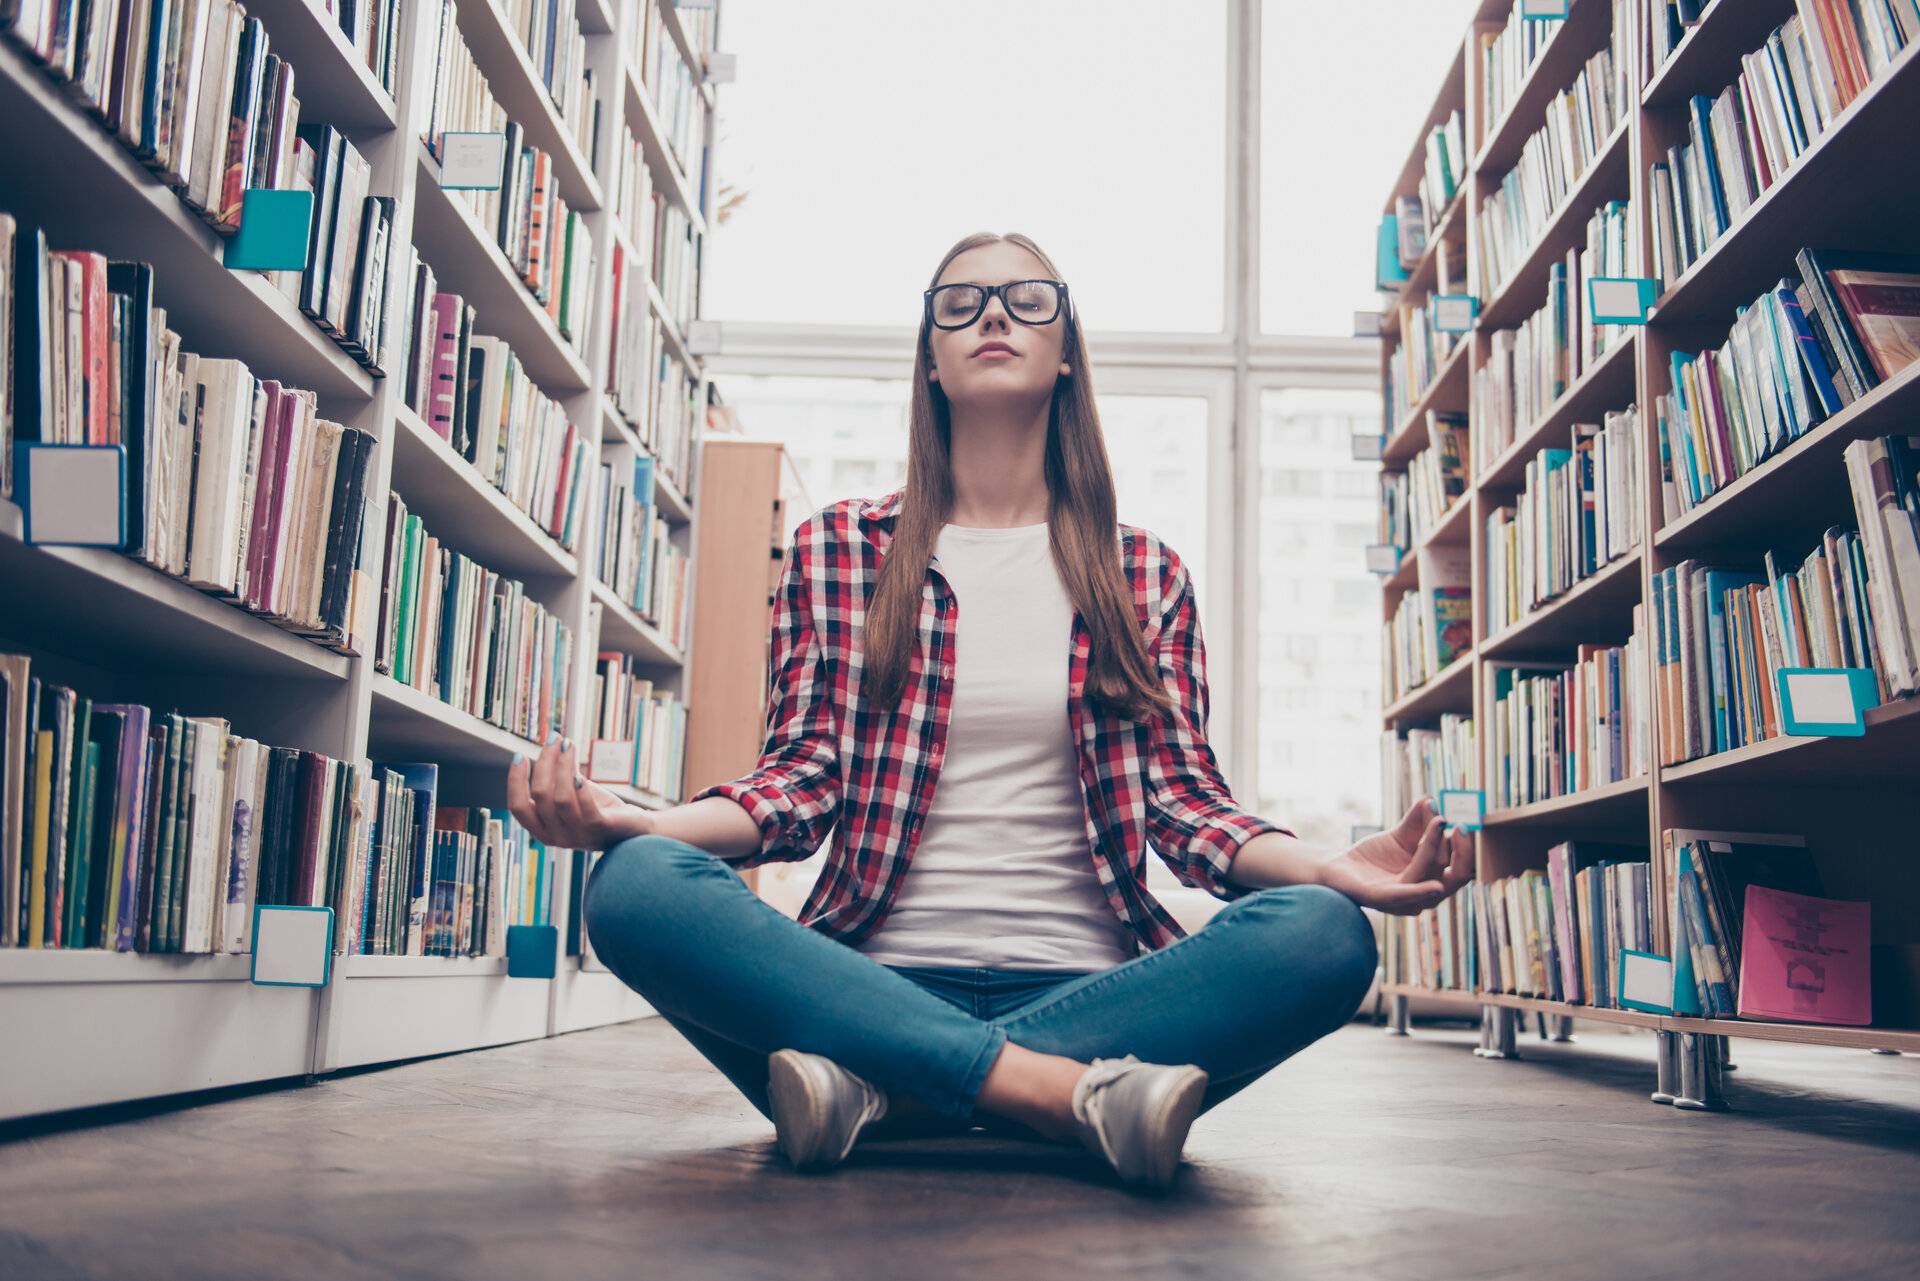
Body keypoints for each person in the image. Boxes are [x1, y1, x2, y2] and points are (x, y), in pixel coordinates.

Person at [507, 231, 1473, 1192]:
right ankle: (1068, 1097)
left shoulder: (1145, 575)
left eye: (1026, 299)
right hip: (865, 986)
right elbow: (796, 785)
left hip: (1097, 991)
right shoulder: (839, 550)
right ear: (930, 359)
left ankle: (881, 1094)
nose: (995, 315)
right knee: (634, 887)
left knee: (1326, 935)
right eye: (960, 303)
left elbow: (1186, 810)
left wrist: (1326, 865)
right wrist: (642, 822)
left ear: (1065, 352)